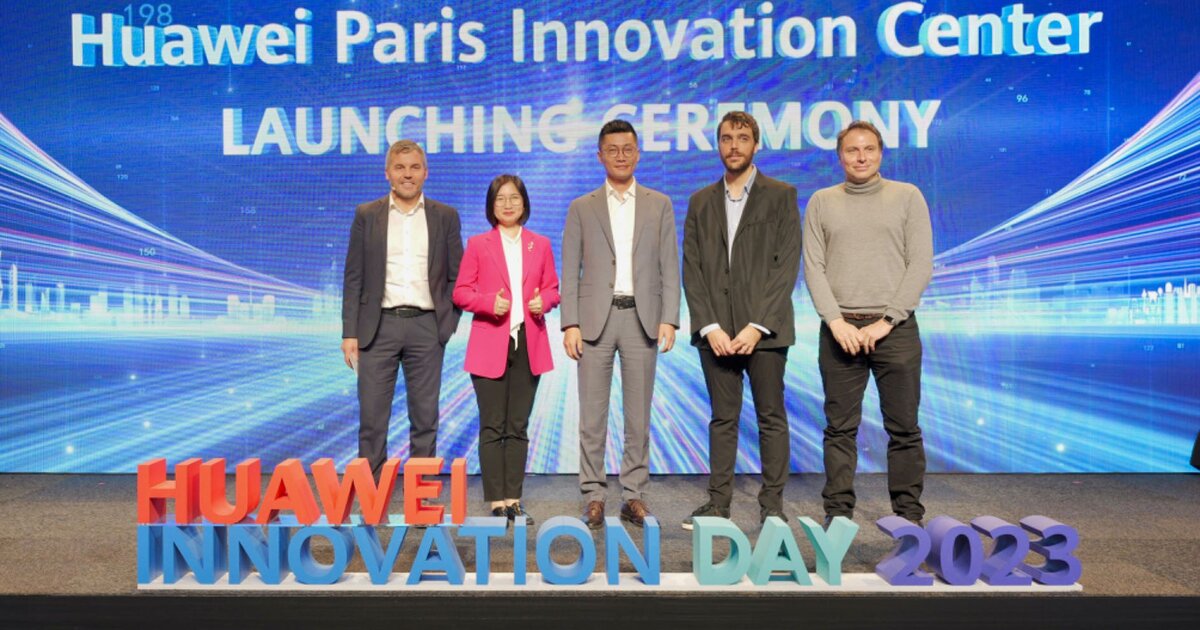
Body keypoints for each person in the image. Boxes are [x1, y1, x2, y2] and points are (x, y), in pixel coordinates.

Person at [802, 120, 933, 527]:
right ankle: (838, 515)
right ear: (840, 156)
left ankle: (909, 517)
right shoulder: (822, 201)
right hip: (840, 331)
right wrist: (835, 321)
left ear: (880, 153)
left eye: (869, 149)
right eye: (852, 150)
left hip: (895, 331)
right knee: (839, 429)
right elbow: (813, 267)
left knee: (904, 428)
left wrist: (887, 320)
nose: (861, 157)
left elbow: (920, 264)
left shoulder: (907, 196)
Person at [681, 111, 801, 530]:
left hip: (765, 332)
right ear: (718, 145)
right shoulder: (700, 201)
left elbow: (786, 266)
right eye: (727, 138)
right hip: (716, 334)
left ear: (756, 144)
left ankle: (773, 506)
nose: (734, 146)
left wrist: (756, 326)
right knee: (722, 419)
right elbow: (692, 268)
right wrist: (710, 326)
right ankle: (718, 503)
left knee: (771, 418)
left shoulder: (781, 195)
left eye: (743, 137)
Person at [561, 119, 680, 530]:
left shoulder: (659, 204)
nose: (621, 156)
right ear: (600, 156)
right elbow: (569, 268)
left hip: (642, 318)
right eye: (612, 149)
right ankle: (593, 495)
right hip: (595, 319)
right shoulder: (582, 206)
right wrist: (570, 323)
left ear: (638, 153)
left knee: (638, 416)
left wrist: (670, 318)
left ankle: (633, 495)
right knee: (592, 418)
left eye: (628, 148)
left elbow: (669, 265)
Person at [341, 139, 463, 479]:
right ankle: (371, 494)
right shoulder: (367, 215)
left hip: (427, 327)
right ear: (387, 173)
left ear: (425, 172)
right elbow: (353, 277)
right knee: (372, 418)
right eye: (400, 167)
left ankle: (420, 493)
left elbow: (458, 275)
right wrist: (350, 333)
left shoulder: (445, 216)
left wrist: (446, 324)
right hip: (377, 327)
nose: (407, 174)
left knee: (425, 418)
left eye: (414, 167)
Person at [453, 175, 559, 525]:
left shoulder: (540, 244)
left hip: (529, 343)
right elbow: (461, 292)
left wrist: (545, 302)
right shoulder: (478, 244)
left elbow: (553, 289)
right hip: (489, 343)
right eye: (500, 199)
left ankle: (514, 499)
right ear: (491, 206)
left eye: (514, 198)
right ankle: (496, 501)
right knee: (492, 425)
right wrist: (488, 303)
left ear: (524, 203)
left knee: (518, 425)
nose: (508, 204)